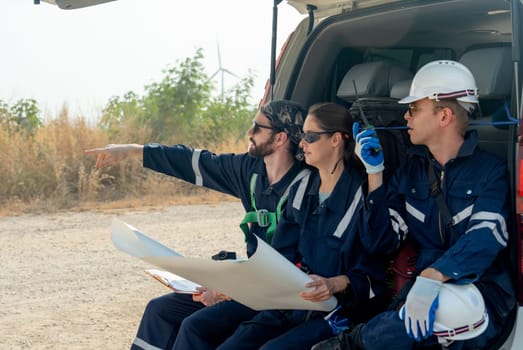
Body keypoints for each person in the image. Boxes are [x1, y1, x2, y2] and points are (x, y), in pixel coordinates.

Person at [313, 60, 516, 350]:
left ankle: (348, 345)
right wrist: (375, 174)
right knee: (411, 325)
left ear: (444, 115)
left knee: (447, 312)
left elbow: (485, 236)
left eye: (414, 109)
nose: (406, 116)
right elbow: (379, 242)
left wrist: (434, 275)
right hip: (420, 291)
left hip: (481, 291)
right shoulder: (412, 172)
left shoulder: (490, 171)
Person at [85, 99, 310, 350]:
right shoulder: (250, 170)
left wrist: (229, 289)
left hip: (278, 294)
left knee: (195, 326)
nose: (249, 132)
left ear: (280, 138)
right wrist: (133, 150)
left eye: (257, 127)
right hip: (249, 282)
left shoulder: (306, 186)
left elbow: (294, 266)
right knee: (159, 310)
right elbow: (195, 161)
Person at [171, 102, 390, 350]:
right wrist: (233, 286)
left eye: (310, 137)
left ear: (336, 140)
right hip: (292, 303)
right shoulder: (301, 190)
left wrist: (333, 284)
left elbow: (376, 255)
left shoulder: (362, 192)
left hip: (337, 312)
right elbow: (280, 257)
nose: (302, 143)